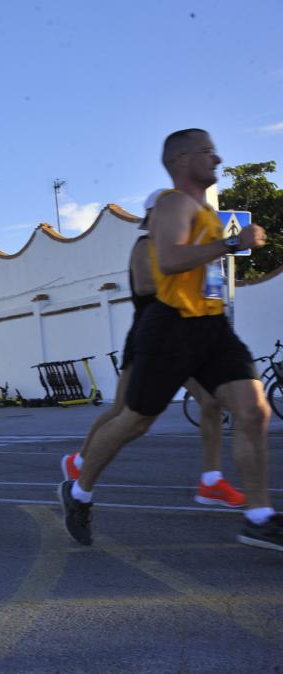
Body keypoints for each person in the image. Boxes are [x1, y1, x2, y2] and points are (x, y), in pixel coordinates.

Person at [59, 129, 279, 551]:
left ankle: (258, 517)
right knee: (134, 420)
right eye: (208, 152)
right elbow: (173, 260)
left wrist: (224, 248)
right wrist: (232, 243)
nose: (217, 159)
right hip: (171, 326)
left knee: (254, 411)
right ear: (181, 160)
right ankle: (80, 489)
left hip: (212, 328)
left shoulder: (206, 214)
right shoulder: (173, 204)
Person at [60, 189, 245, 508]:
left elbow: (210, 291)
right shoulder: (146, 245)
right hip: (153, 337)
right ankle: (79, 463)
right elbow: (146, 285)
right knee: (124, 411)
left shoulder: (191, 249)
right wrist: (183, 275)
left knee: (211, 400)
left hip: (190, 334)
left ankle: (211, 480)